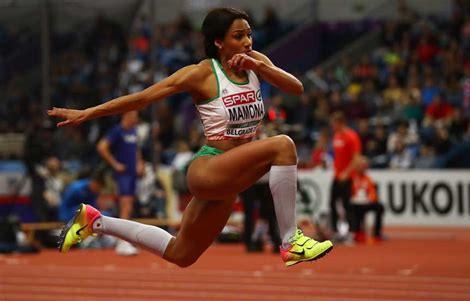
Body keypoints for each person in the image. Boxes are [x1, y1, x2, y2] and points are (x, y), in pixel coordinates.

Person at [50, 7, 333, 268]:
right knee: (283, 145)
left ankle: (95, 222)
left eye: (249, 34)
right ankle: (290, 241)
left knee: (181, 254)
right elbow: (143, 98)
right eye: (238, 36)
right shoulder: (201, 74)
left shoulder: (256, 62)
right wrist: (88, 113)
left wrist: (260, 67)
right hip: (209, 169)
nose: (248, 41)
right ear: (219, 42)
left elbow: (296, 88)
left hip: (231, 177)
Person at [97, 110, 142, 256]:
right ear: (126, 116)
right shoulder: (118, 131)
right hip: (123, 175)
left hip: (132, 173)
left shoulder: (134, 131)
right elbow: (102, 147)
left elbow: (136, 149)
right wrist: (114, 164)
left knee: (128, 207)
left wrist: (140, 163)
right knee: (125, 205)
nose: (136, 120)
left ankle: (124, 241)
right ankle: (122, 242)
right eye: (134, 117)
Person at [329, 111, 362, 239]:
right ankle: (335, 230)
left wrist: (347, 173)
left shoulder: (352, 136)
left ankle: (351, 231)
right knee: (332, 203)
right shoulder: (336, 136)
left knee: (347, 205)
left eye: (334, 124)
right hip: (337, 176)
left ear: (341, 123)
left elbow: (357, 158)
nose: (333, 126)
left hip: (347, 177)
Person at [350, 157, 385, 243]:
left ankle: (377, 234)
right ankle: (356, 232)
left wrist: (370, 199)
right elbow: (348, 193)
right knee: (352, 208)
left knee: (380, 207)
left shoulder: (368, 179)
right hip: (354, 203)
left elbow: (373, 193)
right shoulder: (352, 178)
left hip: (366, 202)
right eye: (361, 165)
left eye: (364, 166)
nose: (363, 168)